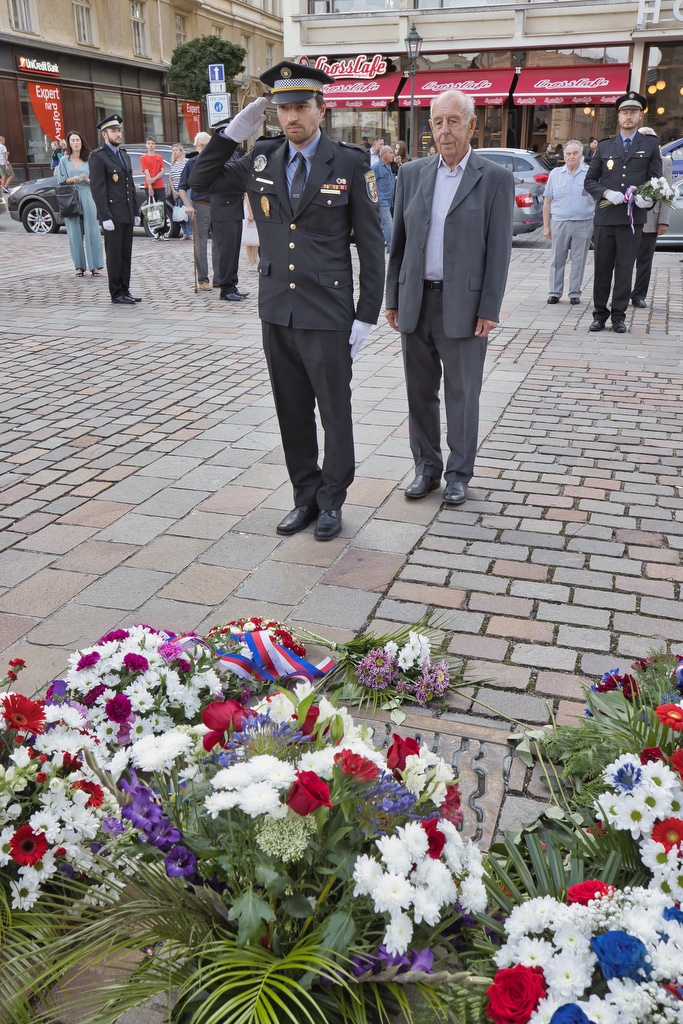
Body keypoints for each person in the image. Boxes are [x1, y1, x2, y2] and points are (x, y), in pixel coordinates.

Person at [190, 61, 385, 541]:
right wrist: (230, 134)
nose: (291, 117)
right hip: (277, 308)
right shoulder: (262, 159)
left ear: (322, 108)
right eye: (283, 109)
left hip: (328, 312)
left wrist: (366, 315)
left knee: (334, 411)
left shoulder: (350, 163)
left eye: (301, 107)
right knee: (291, 409)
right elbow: (202, 181)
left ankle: (332, 499)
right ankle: (305, 497)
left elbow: (373, 243)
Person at [385, 88, 513, 507]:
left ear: (471, 125)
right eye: (437, 122)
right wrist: (393, 297)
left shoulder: (493, 178)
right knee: (419, 392)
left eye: (453, 121)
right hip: (416, 301)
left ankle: (459, 473)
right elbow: (398, 244)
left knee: (462, 394)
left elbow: (499, 251)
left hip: (464, 307)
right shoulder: (412, 173)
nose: (444, 130)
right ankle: (426, 468)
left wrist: (489, 308)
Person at [584, 91, 662, 333]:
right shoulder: (606, 145)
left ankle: (619, 316)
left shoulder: (650, 144)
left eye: (633, 113)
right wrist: (606, 193)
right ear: (618, 117)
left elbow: (657, 179)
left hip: (632, 218)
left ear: (640, 117)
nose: (628, 117)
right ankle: (600, 314)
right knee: (603, 267)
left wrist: (646, 198)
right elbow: (590, 180)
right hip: (606, 219)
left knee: (626, 268)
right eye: (624, 113)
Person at [89, 114, 142, 305]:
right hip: (112, 214)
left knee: (125, 254)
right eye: (113, 131)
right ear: (105, 134)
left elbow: (131, 187)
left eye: (119, 130)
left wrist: (136, 211)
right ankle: (116, 292)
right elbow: (98, 189)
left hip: (126, 212)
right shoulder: (98, 157)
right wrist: (105, 216)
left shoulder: (124, 154)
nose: (118, 134)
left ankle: (125, 289)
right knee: (114, 255)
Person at [543, 139, 596, 305]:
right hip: (560, 222)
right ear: (563, 155)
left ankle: (574, 293)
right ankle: (554, 292)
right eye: (568, 154)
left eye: (575, 153)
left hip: (584, 222)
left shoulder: (590, 173)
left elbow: (596, 199)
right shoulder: (555, 174)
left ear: (581, 155)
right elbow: (547, 201)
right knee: (557, 259)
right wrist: (546, 226)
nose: (571, 157)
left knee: (578, 259)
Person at [630, 126, 672, 309]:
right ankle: (621, 292)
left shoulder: (665, 162)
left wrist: (663, 220)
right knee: (624, 259)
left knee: (644, 262)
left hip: (651, 219)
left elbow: (666, 193)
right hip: (629, 218)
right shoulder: (629, 157)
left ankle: (638, 295)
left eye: (649, 137)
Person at [55, 130, 104, 278]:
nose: (76, 143)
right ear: (69, 144)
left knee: (92, 229)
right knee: (74, 231)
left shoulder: (90, 159)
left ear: (82, 142)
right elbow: (60, 180)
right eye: (73, 141)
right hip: (71, 197)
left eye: (78, 140)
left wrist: (86, 179)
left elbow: (97, 181)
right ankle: (79, 266)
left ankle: (95, 265)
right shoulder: (64, 161)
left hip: (88, 194)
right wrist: (71, 180)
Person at [179, 132, 213, 291]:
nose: (205, 149)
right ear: (196, 146)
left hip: (219, 206)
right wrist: (188, 205)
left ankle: (220, 278)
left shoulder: (217, 161)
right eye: (202, 146)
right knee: (201, 244)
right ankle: (203, 279)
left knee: (220, 244)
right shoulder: (191, 163)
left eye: (208, 146)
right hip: (200, 205)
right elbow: (182, 188)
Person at [140, 136, 166, 238]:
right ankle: (155, 231)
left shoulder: (159, 157)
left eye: (152, 143)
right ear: (146, 145)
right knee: (153, 209)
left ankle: (163, 232)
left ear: (155, 145)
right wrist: (150, 185)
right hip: (149, 186)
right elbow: (146, 172)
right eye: (149, 143)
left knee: (161, 208)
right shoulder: (143, 158)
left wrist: (154, 179)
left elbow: (163, 171)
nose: (150, 145)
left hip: (159, 185)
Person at [169, 143, 192, 240]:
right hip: (176, 191)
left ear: (181, 152)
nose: (174, 152)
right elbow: (171, 179)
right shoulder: (172, 165)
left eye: (176, 150)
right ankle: (185, 233)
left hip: (186, 189)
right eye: (173, 150)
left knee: (188, 210)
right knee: (179, 211)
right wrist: (174, 190)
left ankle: (191, 232)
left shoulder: (186, 162)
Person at [374, 145, 395, 252]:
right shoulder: (377, 167)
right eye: (390, 153)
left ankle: (386, 246)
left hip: (389, 200)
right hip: (382, 201)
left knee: (384, 224)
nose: (393, 155)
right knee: (388, 224)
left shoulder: (388, 166)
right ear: (383, 154)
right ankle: (392, 248)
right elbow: (370, 184)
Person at [243, 194, 259, 271]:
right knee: (249, 238)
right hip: (250, 211)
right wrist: (250, 213)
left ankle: (255, 260)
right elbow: (248, 198)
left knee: (256, 238)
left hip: (257, 210)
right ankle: (251, 262)